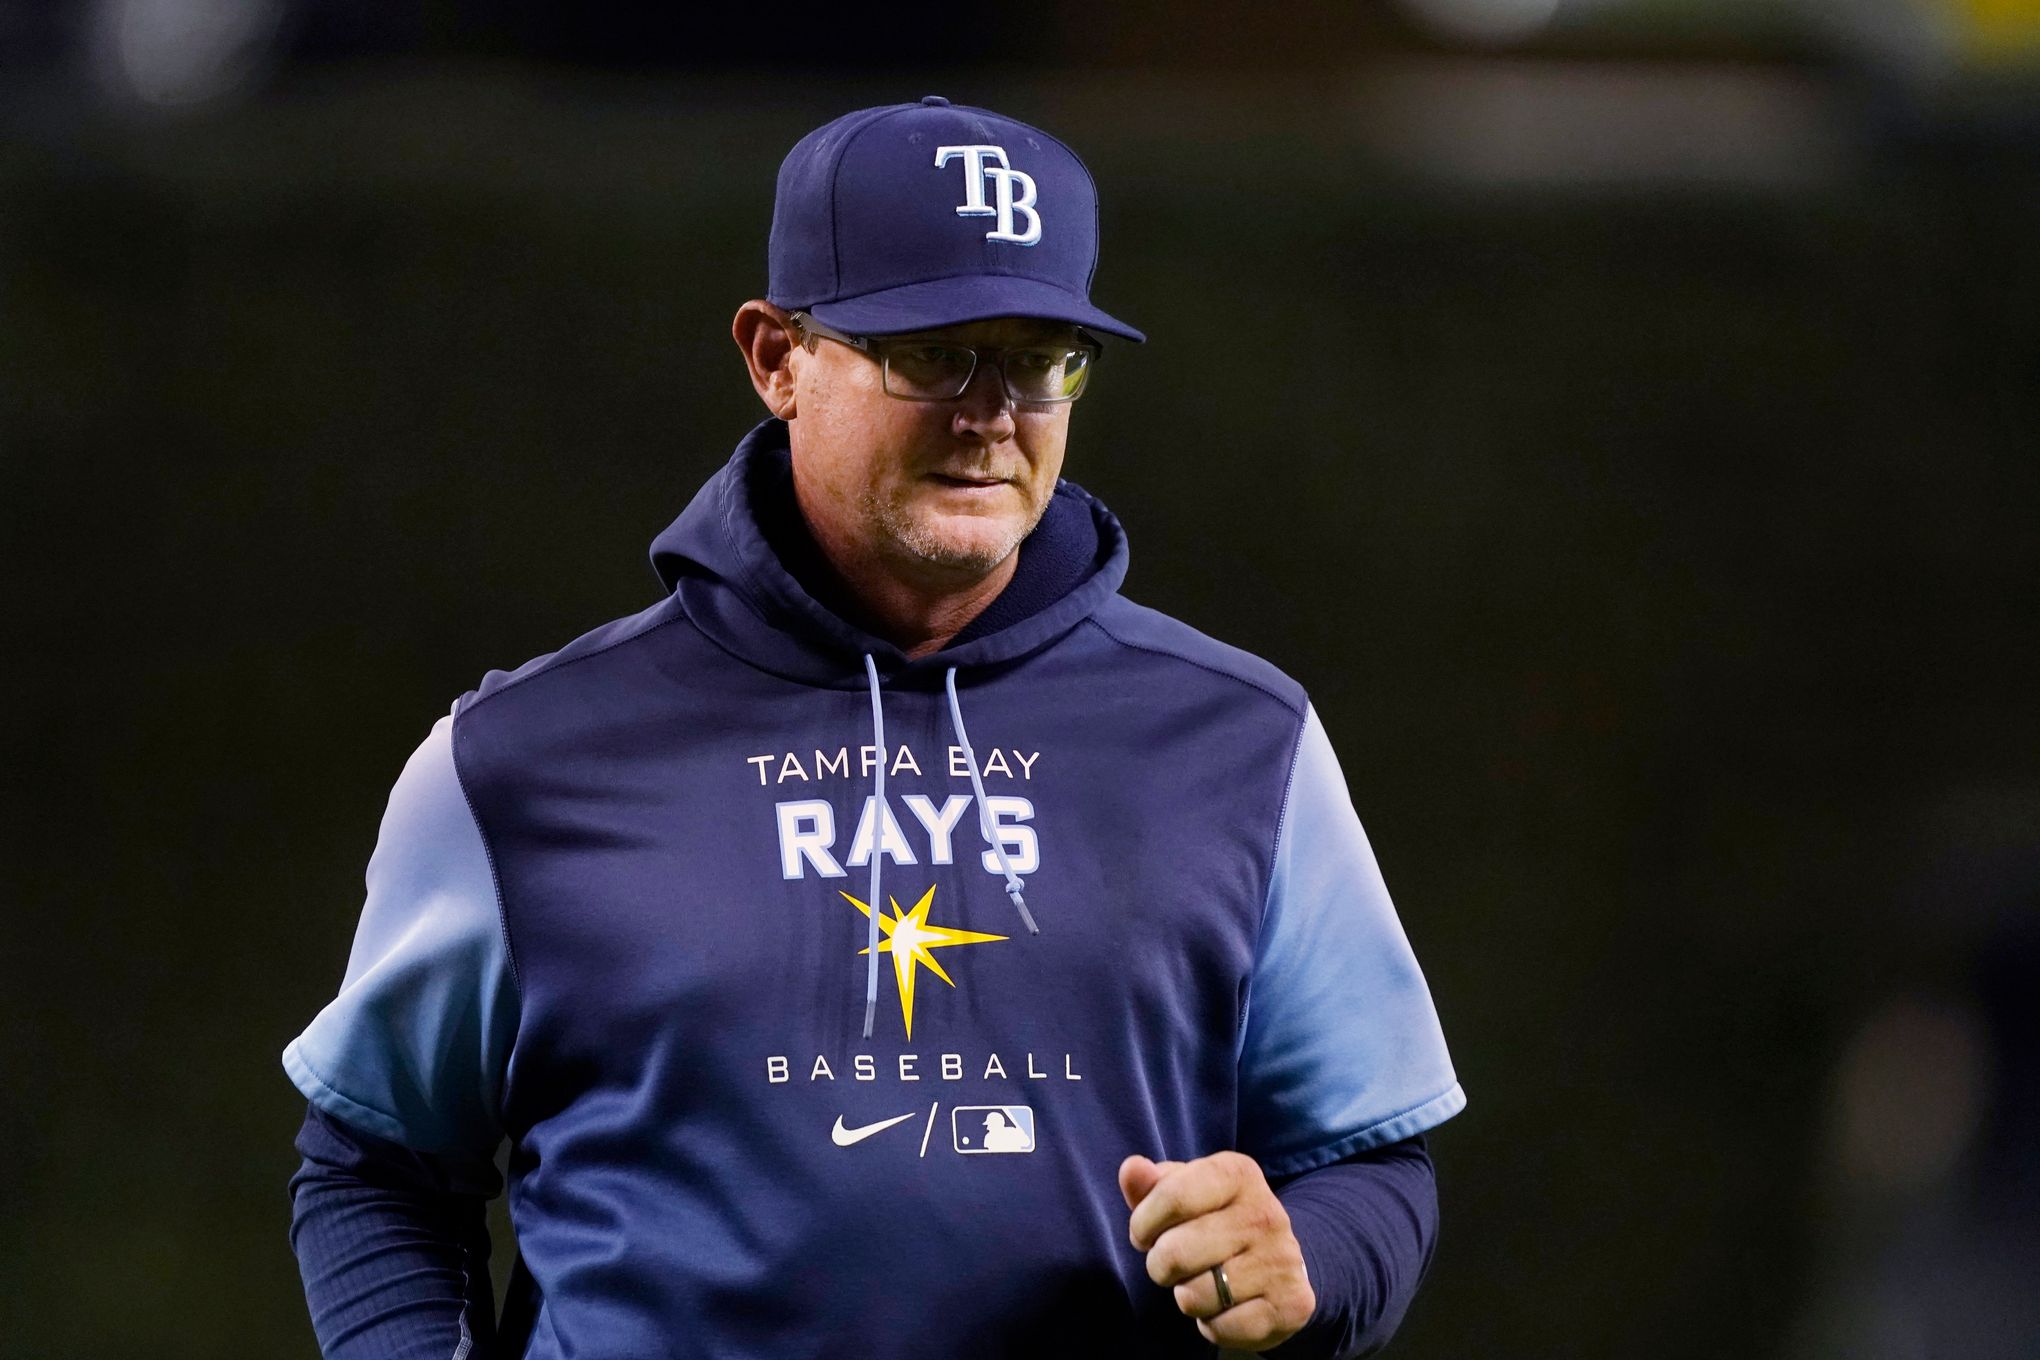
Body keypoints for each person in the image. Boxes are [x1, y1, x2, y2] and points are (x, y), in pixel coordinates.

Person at [283, 96, 1466, 1359]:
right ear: (776, 356)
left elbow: (1371, 1166)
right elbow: (375, 1170)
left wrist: (1306, 1259)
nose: (989, 411)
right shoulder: (519, 761)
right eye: (931, 351)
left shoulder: (1245, 744)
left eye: (1039, 355)